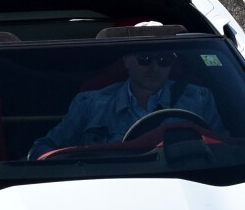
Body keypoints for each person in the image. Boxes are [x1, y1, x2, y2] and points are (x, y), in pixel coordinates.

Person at [29, 50, 225, 159]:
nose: (154, 68)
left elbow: (224, 150)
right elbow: (43, 149)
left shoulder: (199, 99)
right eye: (145, 58)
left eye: (164, 60)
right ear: (127, 61)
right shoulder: (90, 103)